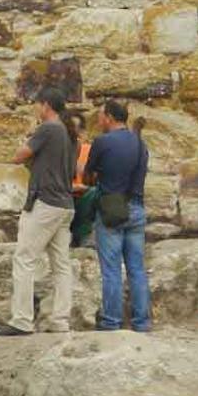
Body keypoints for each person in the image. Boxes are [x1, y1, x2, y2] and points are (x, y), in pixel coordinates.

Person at [0, 87, 77, 336]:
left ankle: (21, 320)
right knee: (61, 265)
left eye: (36, 105)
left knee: (24, 259)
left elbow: (20, 156)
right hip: (65, 204)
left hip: (45, 203)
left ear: (46, 106)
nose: (35, 109)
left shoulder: (49, 128)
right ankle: (60, 320)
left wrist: (26, 143)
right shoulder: (69, 134)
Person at [84, 100, 151, 332]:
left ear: (110, 117)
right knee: (136, 268)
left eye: (100, 116)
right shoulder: (141, 144)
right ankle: (142, 322)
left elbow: (87, 177)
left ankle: (112, 321)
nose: (99, 120)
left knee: (111, 268)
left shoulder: (102, 142)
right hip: (137, 207)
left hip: (112, 208)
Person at [69, 112, 98, 248]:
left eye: (77, 129)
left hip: (84, 196)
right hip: (63, 196)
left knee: (93, 194)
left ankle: (82, 236)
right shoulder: (57, 150)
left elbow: (98, 178)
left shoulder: (90, 151)